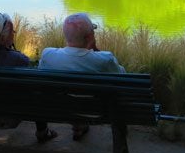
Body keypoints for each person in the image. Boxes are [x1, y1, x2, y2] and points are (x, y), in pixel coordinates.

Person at [0, 12, 57, 142]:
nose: (14, 33)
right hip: (8, 117)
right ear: (3, 38)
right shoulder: (19, 60)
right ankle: (42, 132)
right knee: (38, 93)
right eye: (12, 32)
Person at [38, 12, 126, 140]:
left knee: (71, 96)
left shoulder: (48, 55)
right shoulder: (104, 59)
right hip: (96, 112)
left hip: (58, 110)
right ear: (90, 37)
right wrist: (94, 49)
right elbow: (122, 77)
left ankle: (78, 125)